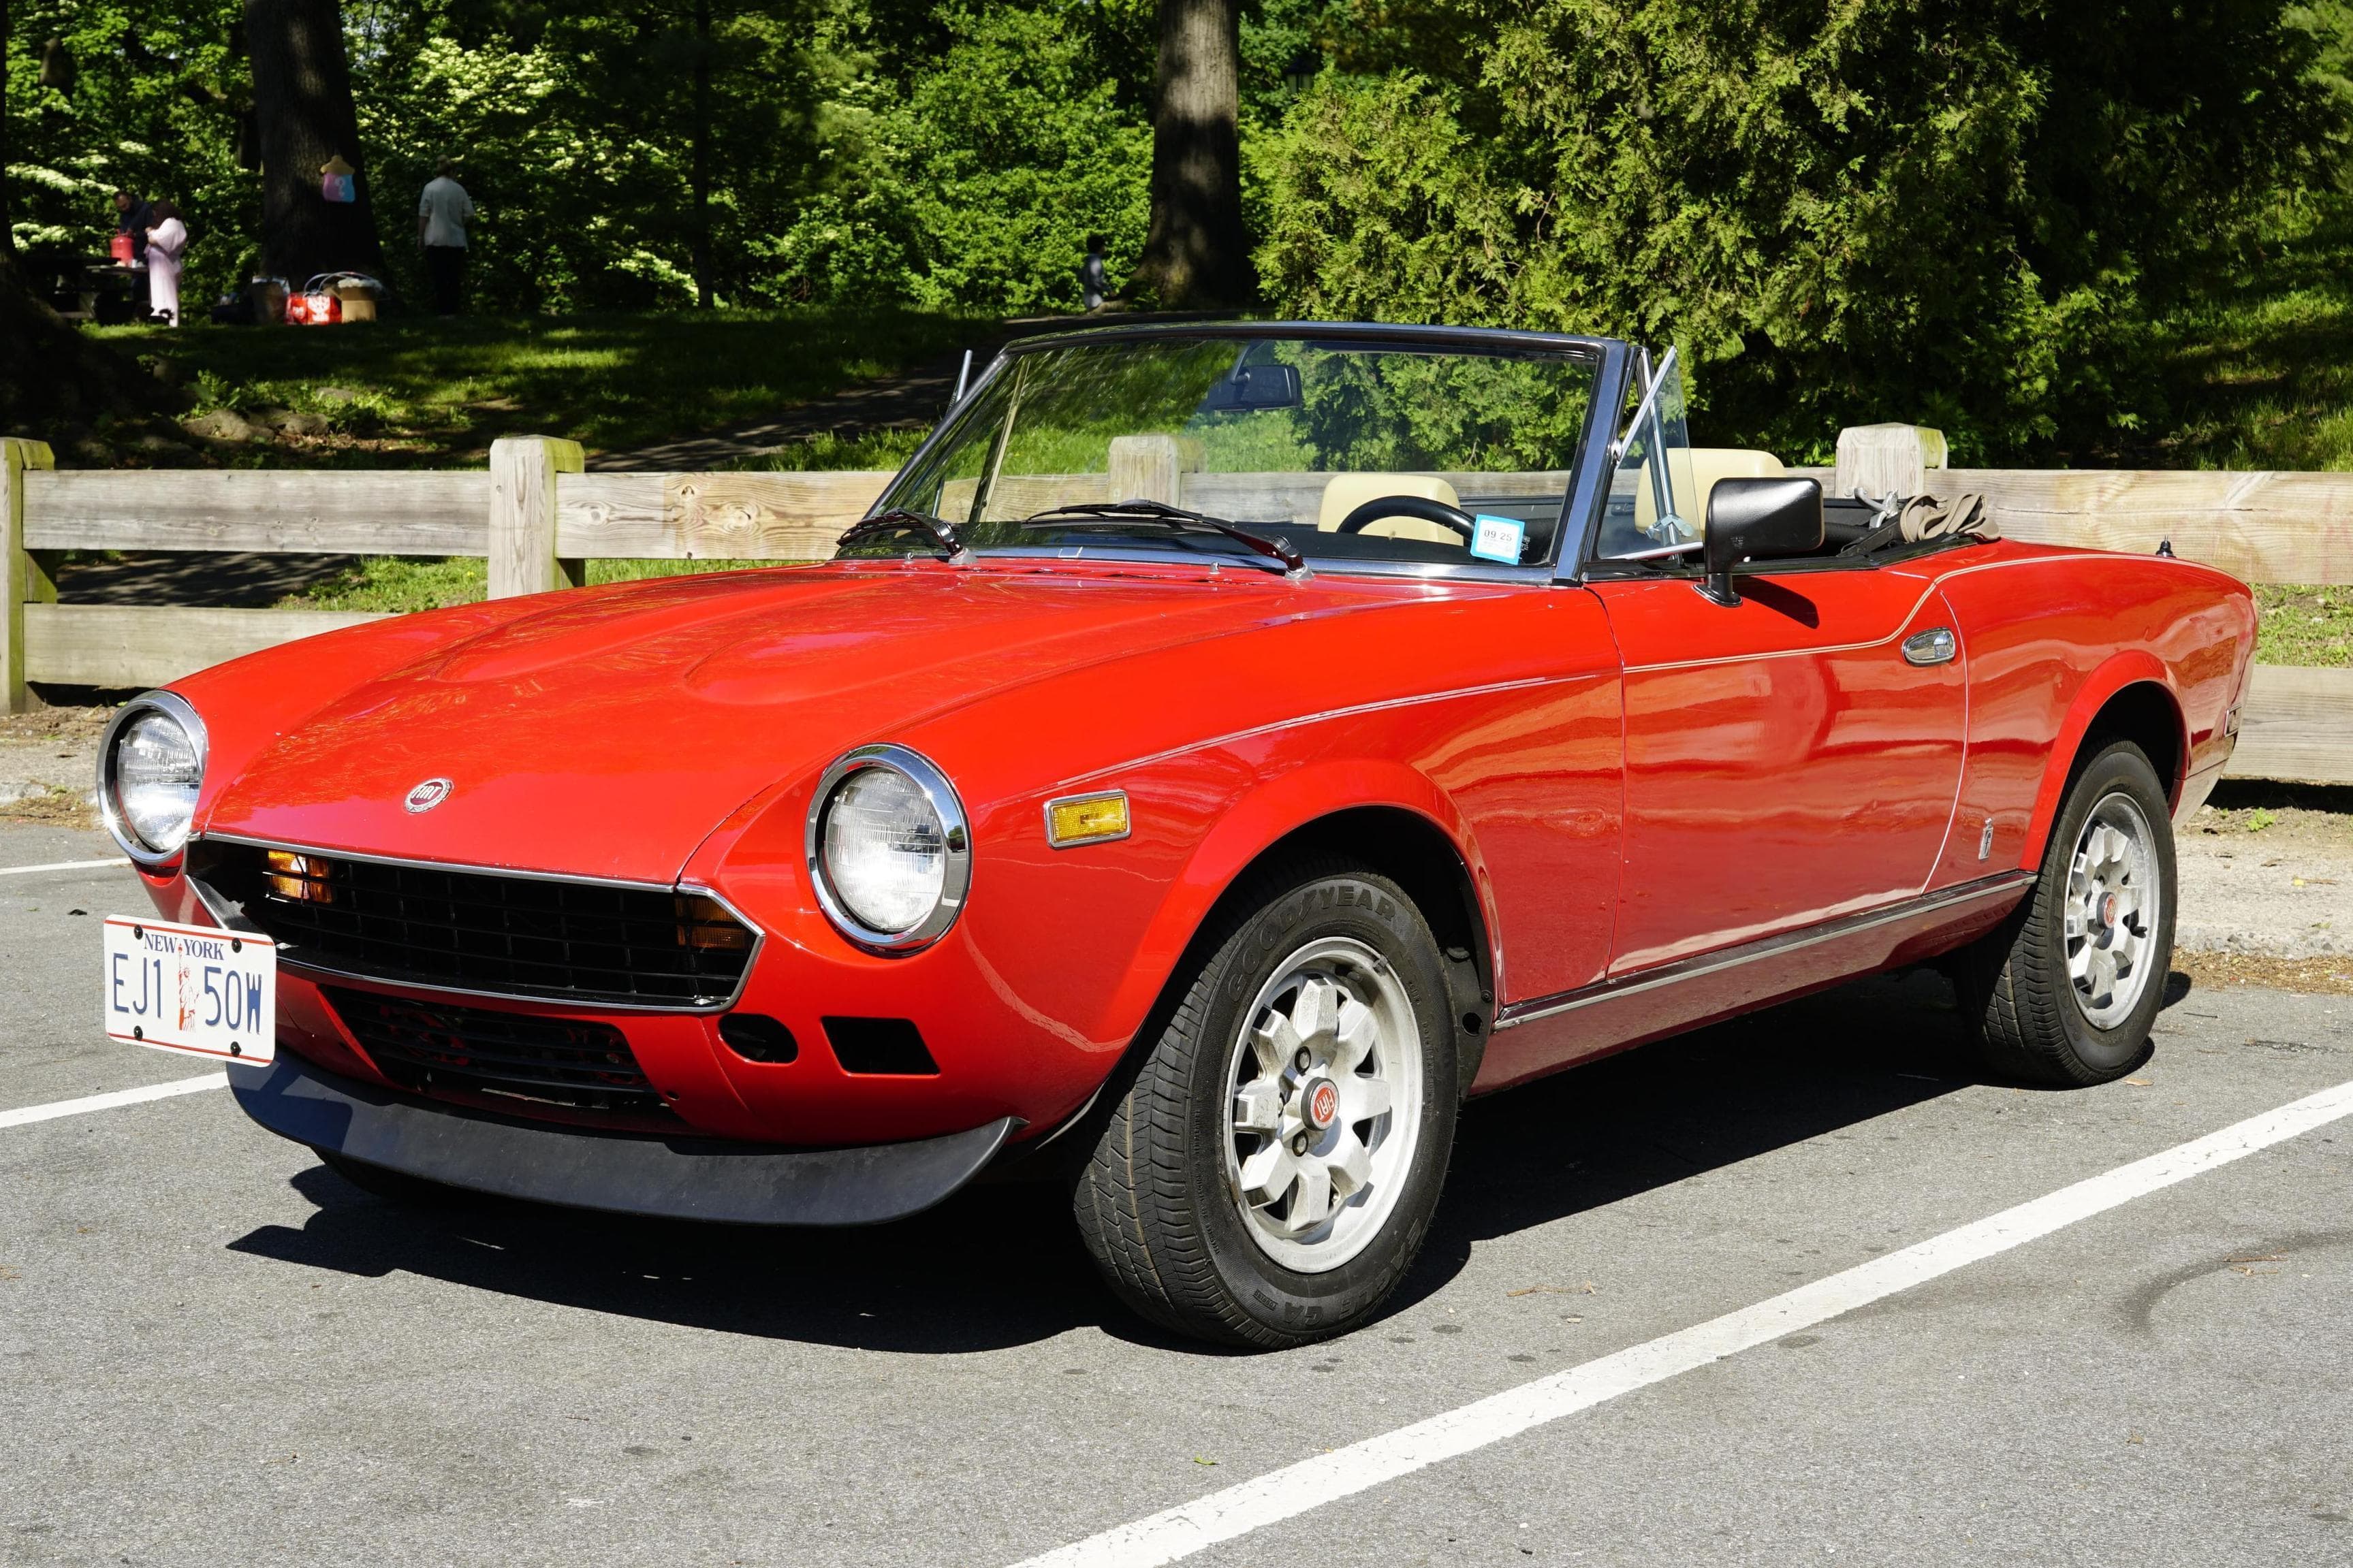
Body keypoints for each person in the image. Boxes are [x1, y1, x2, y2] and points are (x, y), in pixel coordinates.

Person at [417, 157, 476, 316]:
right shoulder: (459, 189)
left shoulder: (430, 188)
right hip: (456, 239)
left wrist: (420, 237)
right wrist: (459, 222)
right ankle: (453, 311)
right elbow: (470, 214)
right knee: (454, 277)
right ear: (452, 172)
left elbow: (424, 215)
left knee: (439, 277)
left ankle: (442, 311)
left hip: (435, 239)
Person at [143, 199, 189, 325]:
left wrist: (150, 232)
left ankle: (171, 322)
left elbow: (157, 240)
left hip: (166, 264)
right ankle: (159, 319)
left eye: (156, 213)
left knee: (167, 294)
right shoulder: (169, 224)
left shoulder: (173, 223)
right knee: (159, 293)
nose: (155, 216)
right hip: (160, 264)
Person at [111, 189, 154, 264]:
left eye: (125, 205)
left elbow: (154, 232)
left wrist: (135, 235)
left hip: (148, 254)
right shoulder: (123, 215)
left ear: (130, 199)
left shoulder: (145, 209)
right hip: (132, 254)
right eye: (120, 207)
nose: (123, 209)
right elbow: (124, 232)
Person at [1079, 235, 1109, 312]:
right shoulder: (1096, 261)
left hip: (1087, 297)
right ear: (1100, 247)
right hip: (1096, 299)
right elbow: (1095, 280)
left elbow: (1080, 277)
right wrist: (1109, 290)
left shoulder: (1087, 260)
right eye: (1104, 245)